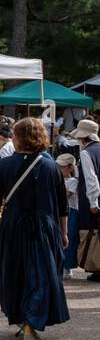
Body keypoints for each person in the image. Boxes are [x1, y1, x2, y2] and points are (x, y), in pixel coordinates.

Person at [0, 118, 70, 340]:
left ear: (18, 137)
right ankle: (31, 322)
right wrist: (64, 232)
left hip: (14, 227)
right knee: (42, 275)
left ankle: (25, 318)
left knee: (16, 273)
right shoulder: (50, 166)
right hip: (44, 227)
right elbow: (62, 205)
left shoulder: (5, 165)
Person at [71, 119, 100, 281]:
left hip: (92, 199)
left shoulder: (86, 153)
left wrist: (93, 202)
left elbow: (91, 179)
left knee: (91, 233)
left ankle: (95, 266)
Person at [56, 153, 81, 275]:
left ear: (70, 167)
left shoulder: (73, 181)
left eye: (62, 167)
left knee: (69, 237)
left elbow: (66, 196)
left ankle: (68, 266)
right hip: (60, 211)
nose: (60, 169)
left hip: (71, 211)